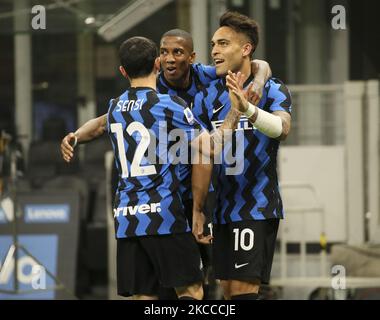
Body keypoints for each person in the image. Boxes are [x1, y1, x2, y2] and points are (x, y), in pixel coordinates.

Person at [61, 29, 271, 299]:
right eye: (164, 54)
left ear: (123, 71)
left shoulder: (116, 107)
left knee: (144, 296)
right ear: (157, 65)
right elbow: (212, 147)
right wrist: (236, 109)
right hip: (164, 216)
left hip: (128, 219)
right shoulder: (169, 104)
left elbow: (99, 125)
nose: (170, 60)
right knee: (193, 291)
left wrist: (75, 136)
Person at [191, 11, 292, 300]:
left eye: (223, 44)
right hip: (221, 206)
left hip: (256, 206)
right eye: (213, 44)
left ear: (245, 49)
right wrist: (199, 208)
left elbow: (283, 129)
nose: (214, 51)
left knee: (244, 291)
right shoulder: (208, 95)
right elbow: (204, 151)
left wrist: (248, 109)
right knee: (227, 291)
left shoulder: (273, 89)